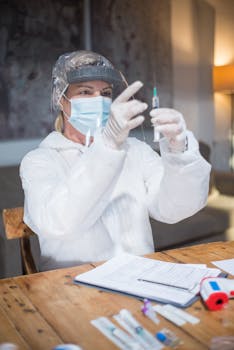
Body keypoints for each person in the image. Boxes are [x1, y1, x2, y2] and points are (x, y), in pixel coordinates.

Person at [20, 50, 211, 271]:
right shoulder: (40, 161)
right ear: (61, 99)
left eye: (106, 93)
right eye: (85, 91)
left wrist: (179, 153)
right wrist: (108, 147)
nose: (98, 101)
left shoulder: (136, 151)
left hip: (141, 276)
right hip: (71, 287)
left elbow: (174, 208)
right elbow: (59, 224)